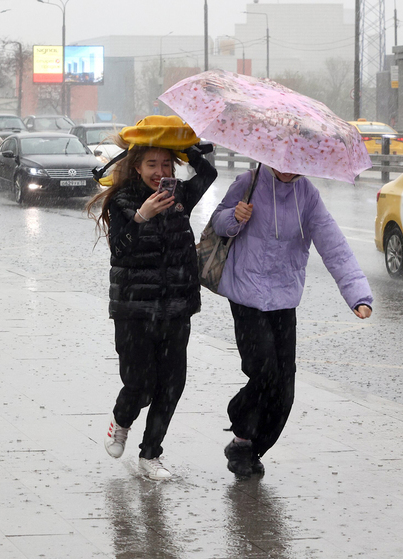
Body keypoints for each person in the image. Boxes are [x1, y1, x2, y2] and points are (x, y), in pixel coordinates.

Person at [211, 165, 373, 478]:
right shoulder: (249, 182)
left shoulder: (308, 196)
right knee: (264, 371)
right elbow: (217, 222)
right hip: (246, 294)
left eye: (295, 166)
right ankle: (242, 430)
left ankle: (249, 448)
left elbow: (334, 245)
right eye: (282, 163)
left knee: (285, 389)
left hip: (284, 299)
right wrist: (234, 217)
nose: (287, 170)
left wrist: (358, 294)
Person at [86, 116, 217, 480]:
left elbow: (207, 176)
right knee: (139, 383)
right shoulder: (123, 200)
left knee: (172, 384)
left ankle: (151, 455)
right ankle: (121, 419)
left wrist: (186, 149)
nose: (159, 172)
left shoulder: (179, 197)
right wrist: (142, 217)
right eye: (151, 165)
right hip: (134, 309)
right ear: (137, 166)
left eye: (165, 164)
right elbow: (121, 252)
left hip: (177, 307)